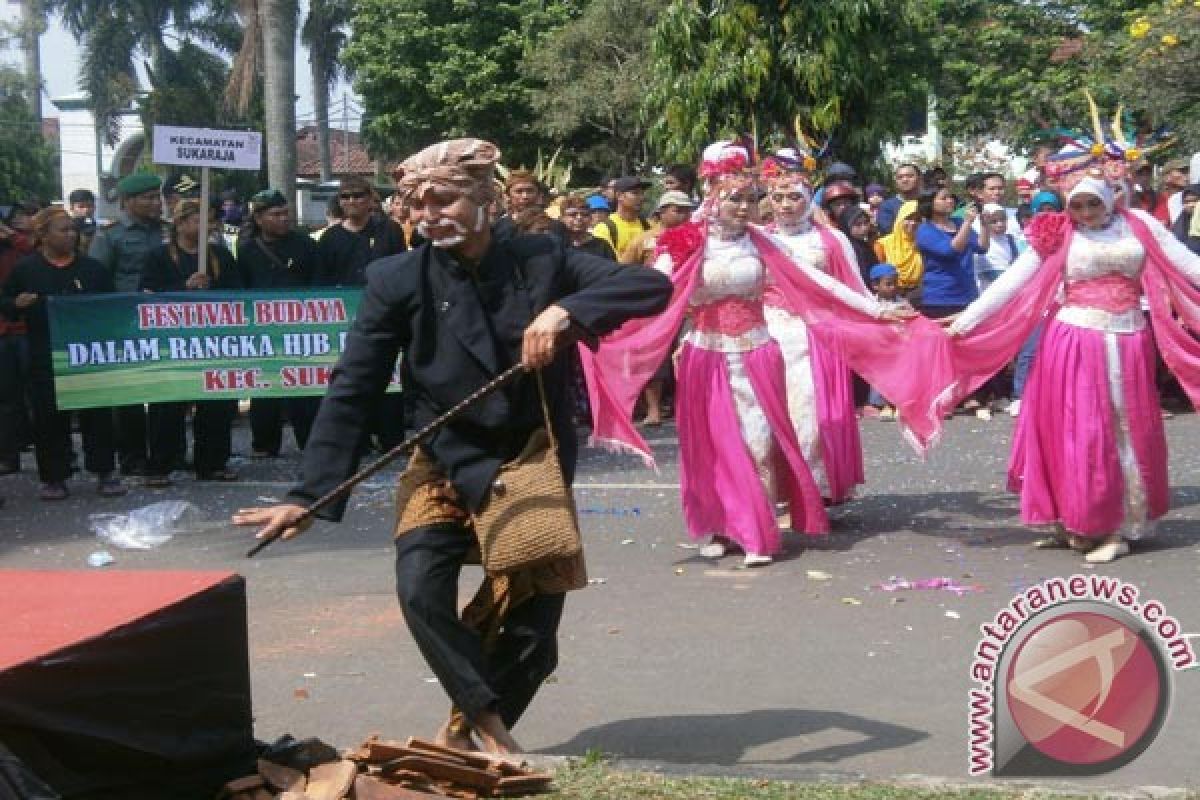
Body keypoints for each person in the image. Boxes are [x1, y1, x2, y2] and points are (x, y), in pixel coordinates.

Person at [232, 138, 672, 754]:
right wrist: (309, 493)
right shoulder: (395, 278)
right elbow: (353, 387)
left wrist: (566, 312)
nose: (428, 214)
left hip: (530, 458)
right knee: (419, 588)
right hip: (443, 459)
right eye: (416, 204)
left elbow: (648, 287)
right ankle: (490, 728)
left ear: (486, 200)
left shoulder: (544, 258)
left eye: (443, 199)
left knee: (532, 632)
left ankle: (465, 734)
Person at [581, 142, 919, 568]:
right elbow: (647, 289)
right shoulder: (683, 243)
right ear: (712, 198)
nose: (745, 207)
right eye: (734, 198)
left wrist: (878, 309)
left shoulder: (762, 243)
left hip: (758, 355)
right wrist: (587, 315)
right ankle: (719, 527)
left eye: (749, 198)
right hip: (706, 357)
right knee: (713, 447)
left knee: (758, 444)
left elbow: (819, 284)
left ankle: (755, 529)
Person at [941, 165, 1200, 564]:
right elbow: (1014, 280)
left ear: (1109, 197)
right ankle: (1073, 519)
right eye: (1076, 204)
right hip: (1074, 340)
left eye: (1092, 202)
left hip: (1128, 339)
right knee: (1075, 430)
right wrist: (964, 322)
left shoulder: (1141, 225)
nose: (1084, 211)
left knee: (1122, 430)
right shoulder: (1057, 231)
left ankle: (1116, 524)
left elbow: (1187, 263)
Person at [763, 158, 874, 505]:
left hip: (815, 338)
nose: (785, 205)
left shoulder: (831, 241)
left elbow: (854, 288)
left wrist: (883, 317)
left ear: (808, 198)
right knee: (769, 417)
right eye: (778, 197)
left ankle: (813, 491)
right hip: (765, 336)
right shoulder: (758, 238)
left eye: (793, 197)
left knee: (810, 416)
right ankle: (776, 490)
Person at [0, 208, 126, 500]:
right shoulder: (27, 269)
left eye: (73, 230)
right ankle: (55, 476)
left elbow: (113, 304)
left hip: (88, 355)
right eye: (63, 230)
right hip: (46, 354)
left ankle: (105, 471)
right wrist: (17, 304)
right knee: (49, 418)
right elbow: (5, 301)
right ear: (43, 235)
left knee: (98, 416)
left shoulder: (92, 269)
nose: (71, 235)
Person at [139, 200, 242, 486]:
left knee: (217, 405)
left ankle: (212, 463)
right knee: (167, 407)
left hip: (214, 341)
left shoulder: (220, 256)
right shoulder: (158, 257)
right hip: (173, 343)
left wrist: (213, 289)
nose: (206, 227)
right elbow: (147, 294)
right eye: (198, 220)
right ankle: (161, 463)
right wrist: (184, 288)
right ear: (180, 223)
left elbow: (238, 294)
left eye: (209, 221)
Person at [89, 172, 167, 476]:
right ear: (128, 202)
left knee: (166, 388)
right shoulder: (110, 236)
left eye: (156, 197)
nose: (155, 203)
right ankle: (132, 455)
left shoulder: (167, 231)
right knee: (131, 392)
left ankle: (166, 453)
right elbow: (97, 278)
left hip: (165, 321)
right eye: (147, 198)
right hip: (126, 321)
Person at [237, 189, 324, 458]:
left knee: (305, 388)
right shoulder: (247, 249)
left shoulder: (305, 244)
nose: (284, 219)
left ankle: (310, 442)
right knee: (264, 387)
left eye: (286, 213)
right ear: (259, 218)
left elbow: (318, 282)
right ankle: (264, 443)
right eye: (276, 214)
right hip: (263, 330)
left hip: (301, 328)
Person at [0, 203, 37, 475]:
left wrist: (12, 236)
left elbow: (37, 253)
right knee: (8, 400)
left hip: (26, 329)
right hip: (4, 331)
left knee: (39, 395)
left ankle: (57, 457)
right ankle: (7, 456)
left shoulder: (23, 246)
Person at [863, 263, 912, 419]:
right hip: (878, 346)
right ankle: (881, 404)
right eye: (888, 284)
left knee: (900, 375)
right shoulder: (871, 303)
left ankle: (898, 403)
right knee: (878, 376)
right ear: (875, 285)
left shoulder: (903, 302)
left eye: (895, 283)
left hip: (899, 346)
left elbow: (911, 318)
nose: (893, 287)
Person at [873, 200, 923, 303]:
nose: (913, 223)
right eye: (908, 218)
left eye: (918, 219)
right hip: (890, 298)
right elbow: (879, 276)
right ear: (900, 219)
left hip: (920, 296)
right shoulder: (883, 244)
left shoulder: (924, 244)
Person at [591, 177, 653, 258]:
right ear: (619, 195)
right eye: (635, 193)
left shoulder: (649, 225)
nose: (641, 198)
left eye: (642, 193)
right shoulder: (603, 229)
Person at [560, 195, 616, 260]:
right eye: (573, 214)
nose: (579, 218)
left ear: (590, 219)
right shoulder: (557, 247)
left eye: (584, 214)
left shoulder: (602, 246)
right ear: (562, 219)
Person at [835, 203, 879, 286]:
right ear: (846, 226)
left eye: (866, 223)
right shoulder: (847, 249)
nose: (864, 228)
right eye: (858, 224)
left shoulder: (864, 245)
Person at [876, 163, 923, 236]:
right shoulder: (887, 207)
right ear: (896, 183)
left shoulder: (929, 202)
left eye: (910, 176)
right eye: (900, 177)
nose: (904, 180)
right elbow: (888, 232)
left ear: (919, 179)